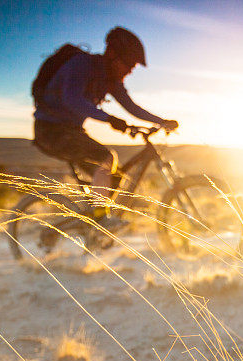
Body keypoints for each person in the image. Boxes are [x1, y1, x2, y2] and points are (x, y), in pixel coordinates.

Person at [32, 27, 178, 226]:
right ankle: (101, 217)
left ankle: (93, 225)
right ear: (112, 54)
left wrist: (161, 121)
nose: (130, 70)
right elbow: (71, 99)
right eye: (128, 63)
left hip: (72, 131)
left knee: (113, 177)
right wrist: (109, 119)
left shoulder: (111, 80)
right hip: (50, 130)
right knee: (106, 158)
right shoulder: (82, 64)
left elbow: (131, 106)